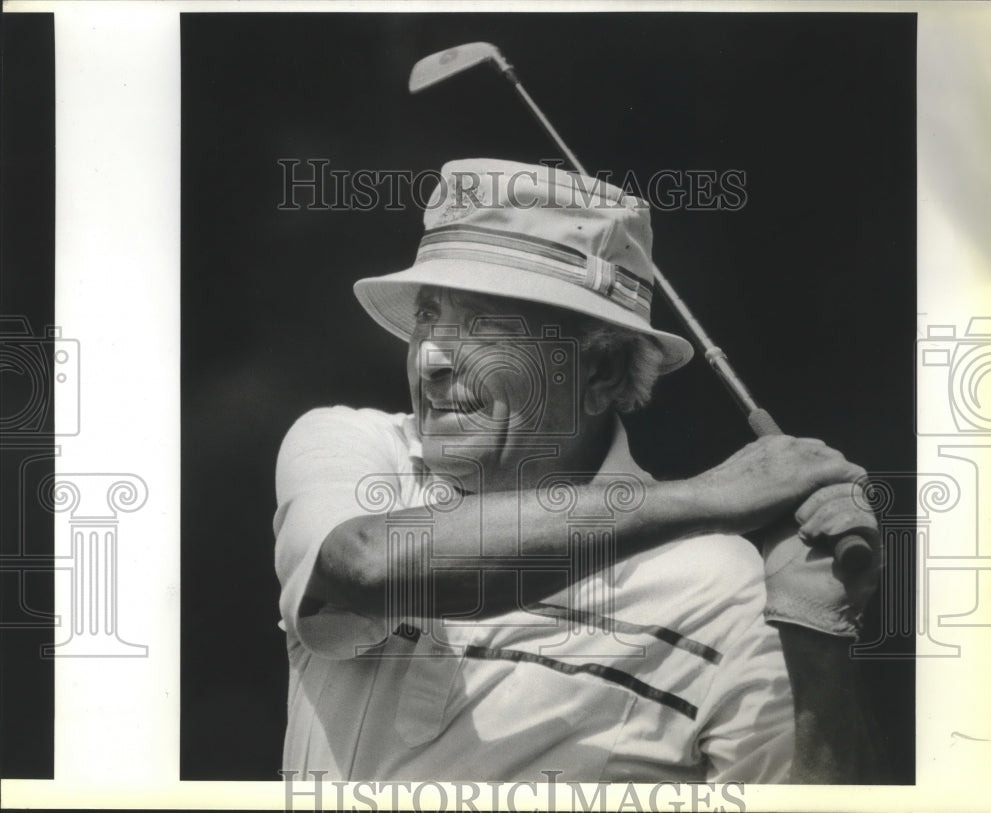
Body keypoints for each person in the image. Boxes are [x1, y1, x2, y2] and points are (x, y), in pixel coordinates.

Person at [273, 159, 882, 783]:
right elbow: (369, 564)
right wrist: (716, 495)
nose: (430, 359)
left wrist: (816, 642)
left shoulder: (724, 588)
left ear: (601, 374)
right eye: (429, 313)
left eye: (486, 322)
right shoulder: (355, 446)